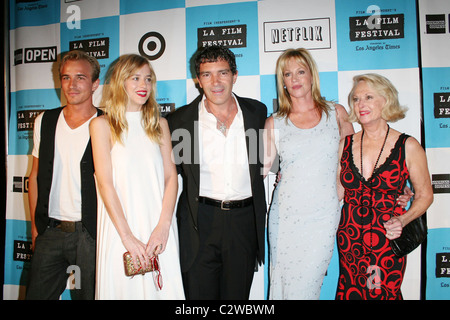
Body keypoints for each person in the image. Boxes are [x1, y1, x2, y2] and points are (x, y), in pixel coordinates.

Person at [166, 45, 267, 300]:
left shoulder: (257, 113)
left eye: (222, 73)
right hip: (200, 223)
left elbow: (266, 166)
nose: (216, 82)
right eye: (207, 74)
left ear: (235, 75)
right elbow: (171, 175)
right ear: (198, 80)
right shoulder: (180, 121)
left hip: (244, 223)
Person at [90, 54, 184, 299]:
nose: (144, 85)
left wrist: (164, 226)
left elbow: (171, 177)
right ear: (120, 81)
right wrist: (127, 237)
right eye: (136, 78)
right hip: (120, 228)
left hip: (158, 227)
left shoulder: (159, 124)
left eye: (148, 79)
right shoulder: (102, 125)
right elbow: (105, 184)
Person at [263, 48, 355, 299]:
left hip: (324, 213)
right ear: (282, 82)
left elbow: (356, 157)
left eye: (300, 72)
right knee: (282, 284)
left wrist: (397, 184)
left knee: (308, 287)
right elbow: (260, 168)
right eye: (288, 74)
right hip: (286, 215)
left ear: (312, 76)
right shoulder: (274, 121)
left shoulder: (336, 113)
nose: (294, 79)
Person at [335, 73, 433, 300]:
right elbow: (337, 192)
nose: (361, 104)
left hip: (386, 237)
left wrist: (403, 219)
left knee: (382, 294)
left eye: (369, 97)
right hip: (350, 237)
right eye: (356, 99)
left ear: (386, 100)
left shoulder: (407, 146)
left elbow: (426, 195)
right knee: (351, 293)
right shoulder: (345, 144)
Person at [26, 50, 102, 300]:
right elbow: (35, 176)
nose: (72, 85)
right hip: (50, 231)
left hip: (90, 234)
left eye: (80, 77)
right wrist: (36, 230)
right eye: (66, 77)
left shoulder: (108, 124)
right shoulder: (44, 121)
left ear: (95, 83)